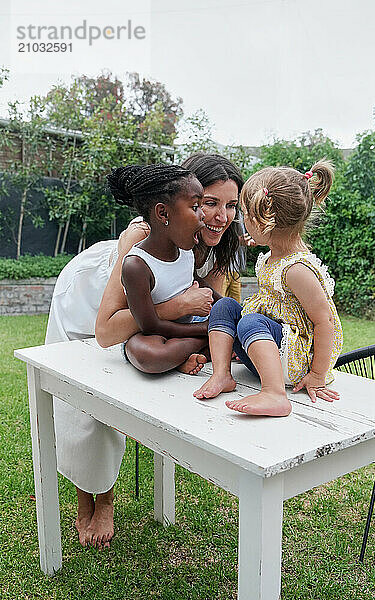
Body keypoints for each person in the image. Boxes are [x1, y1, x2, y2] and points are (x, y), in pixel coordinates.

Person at [45, 153, 244, 549]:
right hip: (91, 302)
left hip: (146, 317)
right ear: (174, 206)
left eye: (231, 205)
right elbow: (106, 329)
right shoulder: (139, 237)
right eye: (209, 203)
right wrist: (180, 309)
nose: (222, 216)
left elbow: (211, 309)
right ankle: (96, 501)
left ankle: (100, 492)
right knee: (82, 406)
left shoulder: (220, 246)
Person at [194, 160, 343, 417]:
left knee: (251, 321)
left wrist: (318, 374)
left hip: (296, 361)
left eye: (245, 216)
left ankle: (274, 394)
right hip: (270, 354)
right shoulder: (276, 255)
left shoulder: (297, 270)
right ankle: (222, 375)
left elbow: (325, 322)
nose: (240, 222)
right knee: (225, 306)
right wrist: (263, 239)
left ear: (263, 222)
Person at [106, 163, 215, 374]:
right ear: (163, 213)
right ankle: (208, 344)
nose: (203, 215)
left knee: (230, 312)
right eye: (195, 207)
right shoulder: (136, 265)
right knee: (150, 356)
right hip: (155, 334)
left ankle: (183, 357)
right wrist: (206, 329)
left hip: (186, 328)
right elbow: (150, 325)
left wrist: (226, 305)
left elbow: (193, 281)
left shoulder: (185, 250)